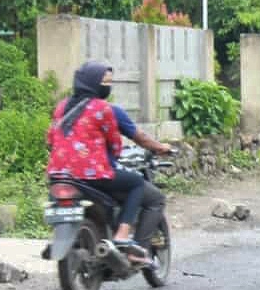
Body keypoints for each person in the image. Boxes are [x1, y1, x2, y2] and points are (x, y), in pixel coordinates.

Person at [46, 61, 147, 261]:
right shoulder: (102, 108)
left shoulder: (61, 106)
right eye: (105, 82)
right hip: (91, 174)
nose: (107, 87)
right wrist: (115, 156)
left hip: (58, 175)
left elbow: (50, 139)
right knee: (137, 184)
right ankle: (122, 234)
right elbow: (114, 142)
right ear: (93, 84)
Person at [108, 102, 173, 249]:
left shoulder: (64, 107)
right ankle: (136, 249)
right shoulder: (107, 110)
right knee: (147, 191)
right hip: (97, 173)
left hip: (65, 176)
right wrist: (161, 147)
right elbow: (140, 137)